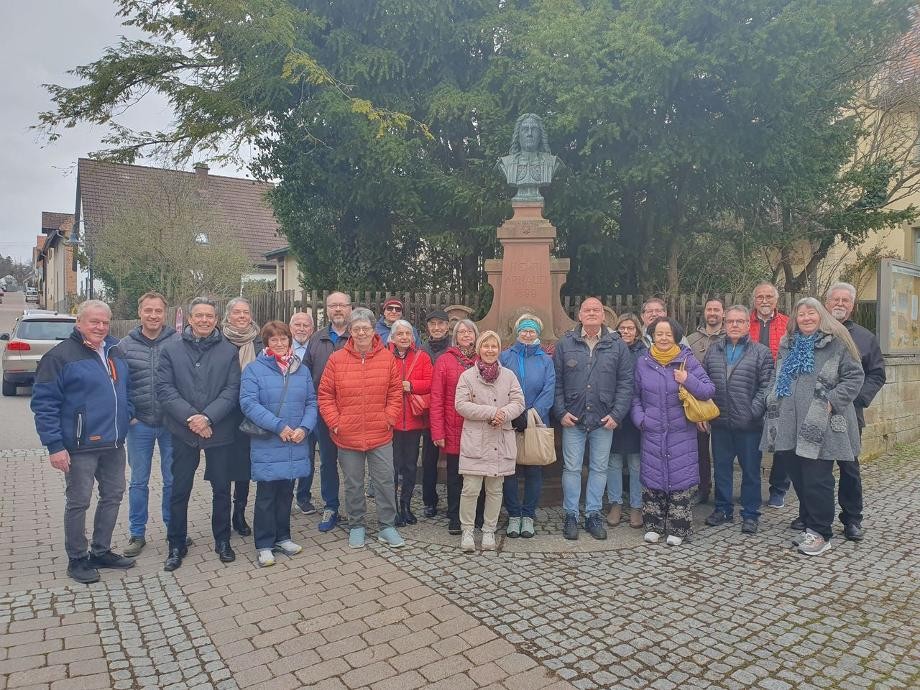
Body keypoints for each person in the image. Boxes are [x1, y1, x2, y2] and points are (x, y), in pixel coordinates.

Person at [32, 299, 135, 584]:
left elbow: (125, 388)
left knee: (113, 495)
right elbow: (44, 404)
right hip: (79, 446)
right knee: (79, 501)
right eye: (94, 322)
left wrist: (129, 413)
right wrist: (54, 446)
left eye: (104, 322)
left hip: (114, 443)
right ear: (79, 323)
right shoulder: (59, 357)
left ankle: (101, 550)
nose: (100, 327)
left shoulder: (115, 350)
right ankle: (77, 558)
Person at [761, 298, 864, 556]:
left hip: (821, 423)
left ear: (822, 316)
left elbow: (855, 377)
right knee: (799, 477)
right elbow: (778, 374)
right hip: (789, 422)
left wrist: (831, 401)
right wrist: (772, 395)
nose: (806, 318)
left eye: (811, 313)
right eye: (801, 314)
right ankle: (809, 526)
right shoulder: (788, 344)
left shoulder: (837, 342)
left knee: (818, 479)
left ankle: (821, 533)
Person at [158, 297, 242, 571]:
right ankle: (176, 543)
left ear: (216, 320)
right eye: (199, 316)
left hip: (219, 429)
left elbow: (232, 390)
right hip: (183, 430)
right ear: (190, 319)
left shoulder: (228, 351)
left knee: (221, 488)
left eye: (209, 316)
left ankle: (222, 539)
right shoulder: (171, 350)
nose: (204, 320)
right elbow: (165, 389)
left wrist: (207, 417)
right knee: (179, 489)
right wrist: (192, 418)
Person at [318, 308, 405, 549]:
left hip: (380, 433)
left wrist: (389, 418)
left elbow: (395, 393)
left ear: (373, 330)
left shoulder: (387, 358)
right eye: (356, 329)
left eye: (365, 328)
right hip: (348, 435)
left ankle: (387, 526)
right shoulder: (336, 359)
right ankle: (356, 525)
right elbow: (325, 395)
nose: (361, 332)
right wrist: (336, 423)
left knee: (385, 481)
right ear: (350, 332)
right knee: (354, 483)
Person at [554, 297, 634, 541]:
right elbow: (556, 382)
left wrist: (617, 414)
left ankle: (592, 514)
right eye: (586, 310)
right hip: (573, 419)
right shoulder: (565, 343)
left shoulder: (617, 345)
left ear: (603, 316)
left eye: (595, 310)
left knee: (599, 469)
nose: (591, 313)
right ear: (579, 315)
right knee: (572, 469)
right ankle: (570, 515)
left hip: (603, 419)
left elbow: (625, 383)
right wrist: (560, 411)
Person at [632, 317, 716, 546]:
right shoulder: (643, 362)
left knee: (680, 478)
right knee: (653, 476)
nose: (663, 338)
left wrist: (687, 379)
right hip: (652, 429)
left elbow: (709, 389)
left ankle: (679, 527)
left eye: (668, 334)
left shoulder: (687, 361)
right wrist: (640, 419)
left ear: (676, 337)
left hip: (681, 431)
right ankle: (654, 525)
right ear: (652, 336)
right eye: (659, 334)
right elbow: (635, 396)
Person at [239, 321, 317, 567]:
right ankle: (264, 543)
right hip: (270, 440)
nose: (280, 344)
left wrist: (304, 428)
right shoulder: (254, 370)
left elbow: (312, 402)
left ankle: (283, 536)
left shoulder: (301, 370)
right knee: (266, 494)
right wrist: (279, 427)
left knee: (286, 492)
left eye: (284, 339)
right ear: (266, 343)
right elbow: (249, 404)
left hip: (295, 439)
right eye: (274, 340)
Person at [702, 305, 774, 534]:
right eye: (730, 321)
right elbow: (704, 383)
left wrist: (753, 411)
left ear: (747, 325)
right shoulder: (714, 350)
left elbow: (767, 386)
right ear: (724, 324)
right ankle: (723, 509)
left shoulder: (761, 352)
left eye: (739, 321)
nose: (734, 325)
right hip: (720, 421)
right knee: (721, 468)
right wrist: (705, 412)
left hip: (749, 425)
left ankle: (750, 514)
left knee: (751, 471)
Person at [824, 282, 886, 541]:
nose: (839, 304)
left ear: (853, 306)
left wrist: (857, 399)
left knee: (849, 467)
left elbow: (877, 374)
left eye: (845, 301)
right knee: (817, 469)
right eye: (835, 300)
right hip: (817, 413)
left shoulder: (864, 337)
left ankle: (852, 519)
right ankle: (815, 515)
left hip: (849, 414)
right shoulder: (815, 332)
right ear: (827, 303)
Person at [119, 291, 177, 557]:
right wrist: (128, 412)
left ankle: (173, 529)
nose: (153, 315)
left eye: (158, 311)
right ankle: (137, 533)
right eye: (148, 310)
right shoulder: (124, 346)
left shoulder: (177, 342)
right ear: (140, 312)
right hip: (139, 423)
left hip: (170, 424)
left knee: (172, 480)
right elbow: (118, 385)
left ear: (165, 314)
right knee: (138, 481)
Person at [455, 331, 525, 551]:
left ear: (499, 349)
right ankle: (467, 530)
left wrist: (503, 414)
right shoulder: (467, 376)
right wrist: (491, 412)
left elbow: (519, 402)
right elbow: (461, 404)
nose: (490, 350)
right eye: (486, 346)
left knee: (495, 490)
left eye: (494, 346)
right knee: (471, 488)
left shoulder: (509, 376)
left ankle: (488, 530)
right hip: (476, 440)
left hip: (500, 440)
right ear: (479, 349)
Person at [499, 314, 554, 539]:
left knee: (533, 469)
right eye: (524, 330)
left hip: (536, 420)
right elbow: (499, 386)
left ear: (537, 334)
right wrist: (513, 413)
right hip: (510, 420)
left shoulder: (546, 360)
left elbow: (550, 389)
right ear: (518, 332)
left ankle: (528, 514)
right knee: (509, 470)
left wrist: (532, 413)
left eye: (532, 331)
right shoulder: (505, 356)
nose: (528, 334)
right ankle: (513, 514)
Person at [304, 291, 352, 532]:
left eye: (342, 305)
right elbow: (306, 375)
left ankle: (355, 509)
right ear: (327, 309)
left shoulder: (359, 336)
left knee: (354, 462)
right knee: (328, 462)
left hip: (354, 413)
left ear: (350, 308)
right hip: (324, 412)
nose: (338, 309)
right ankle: (331, 505)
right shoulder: (317, 339)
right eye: (333, 306)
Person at [430, 319, 480, 534]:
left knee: (478, 474)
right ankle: (455, 516)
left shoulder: (484, 359)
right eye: (462, 332)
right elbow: (437, 398)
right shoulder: (445, 361)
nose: (466, 335)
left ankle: (477, 514)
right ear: (455, 336)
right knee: (455, 476)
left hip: (478, 428)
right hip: (454, 427)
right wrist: (438, 431)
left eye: (470, 332)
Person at [750, 281, 793, 509]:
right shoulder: (744, 323)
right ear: (754, 300)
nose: (764, 301)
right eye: (760, 297)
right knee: (752, 440)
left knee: (781, 441)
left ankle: (779, 488)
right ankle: (752, 488)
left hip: (781, 389)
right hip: (750, 390)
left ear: (776, 300)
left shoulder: (788, 324)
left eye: (769, 297)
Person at [221, 297, 261, 537]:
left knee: (244, 466)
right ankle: (223, 513)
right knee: (224, 465)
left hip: (249, 411)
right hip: (224, 412)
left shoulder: (258, 341)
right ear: (228, 316)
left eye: (246, 312)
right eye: (237, 313)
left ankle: (239, 512)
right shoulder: (219, 340)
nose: (242, 316)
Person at [388, 319, 433, 526]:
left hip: (414, 422)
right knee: (392, 467)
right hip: (392, 423)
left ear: (413, 337)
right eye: (400, 334)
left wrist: (411, 385)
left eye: (408, 334)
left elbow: (430, 383)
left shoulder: (422, 357)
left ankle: (406, 505)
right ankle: (394, 507)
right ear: (393, 337)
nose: (404, 337)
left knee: (410, 467)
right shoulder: (385, 356)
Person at [606, 313, 646, 529]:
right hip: (613, 412)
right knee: (613, 461)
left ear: (637, 331)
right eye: (622, 328)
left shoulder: (644, 353)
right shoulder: (610, 349)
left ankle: (637, 506)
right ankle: (615, 503)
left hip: (636, 414)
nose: (626, 332)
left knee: (635, 463)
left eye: (630, 328)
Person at [686, 298, 725, 505]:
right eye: (709, 309)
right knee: (700, 450)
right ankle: (703, 488)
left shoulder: (730, 337)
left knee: (723, 452)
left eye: (716, 310)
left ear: (723, 313)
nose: (712, 313)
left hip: (725, 401)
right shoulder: (691, 339)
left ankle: (724, 492)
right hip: (700, 401)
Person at [420, 309, 451, 517]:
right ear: (428, 327)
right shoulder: (421, 350)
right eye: (433, 324)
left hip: (451, 410)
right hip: (427, 412)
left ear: (448, 326)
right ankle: (429, 500)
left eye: (441, 324)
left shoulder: (454, 349)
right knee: (429, 459)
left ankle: (454, 499)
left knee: (455, 459)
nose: (437, 328)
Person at [497, 112, 563, 202]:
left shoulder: (552, 161)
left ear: (540, 136)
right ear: (518, 135)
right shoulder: (505, 163)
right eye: (525, 129)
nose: (529, 134)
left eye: (534, 129)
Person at [290, 311, 317, 515]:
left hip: (313, 407)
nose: (301, 329)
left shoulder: (317, 347)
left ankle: (304, 496)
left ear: (312, 329)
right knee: (290, 454)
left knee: (308, 456)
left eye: (305, 325)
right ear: (291, 328)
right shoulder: (282, 347)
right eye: (297, 325)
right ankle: (285, 494)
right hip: (289, 410)